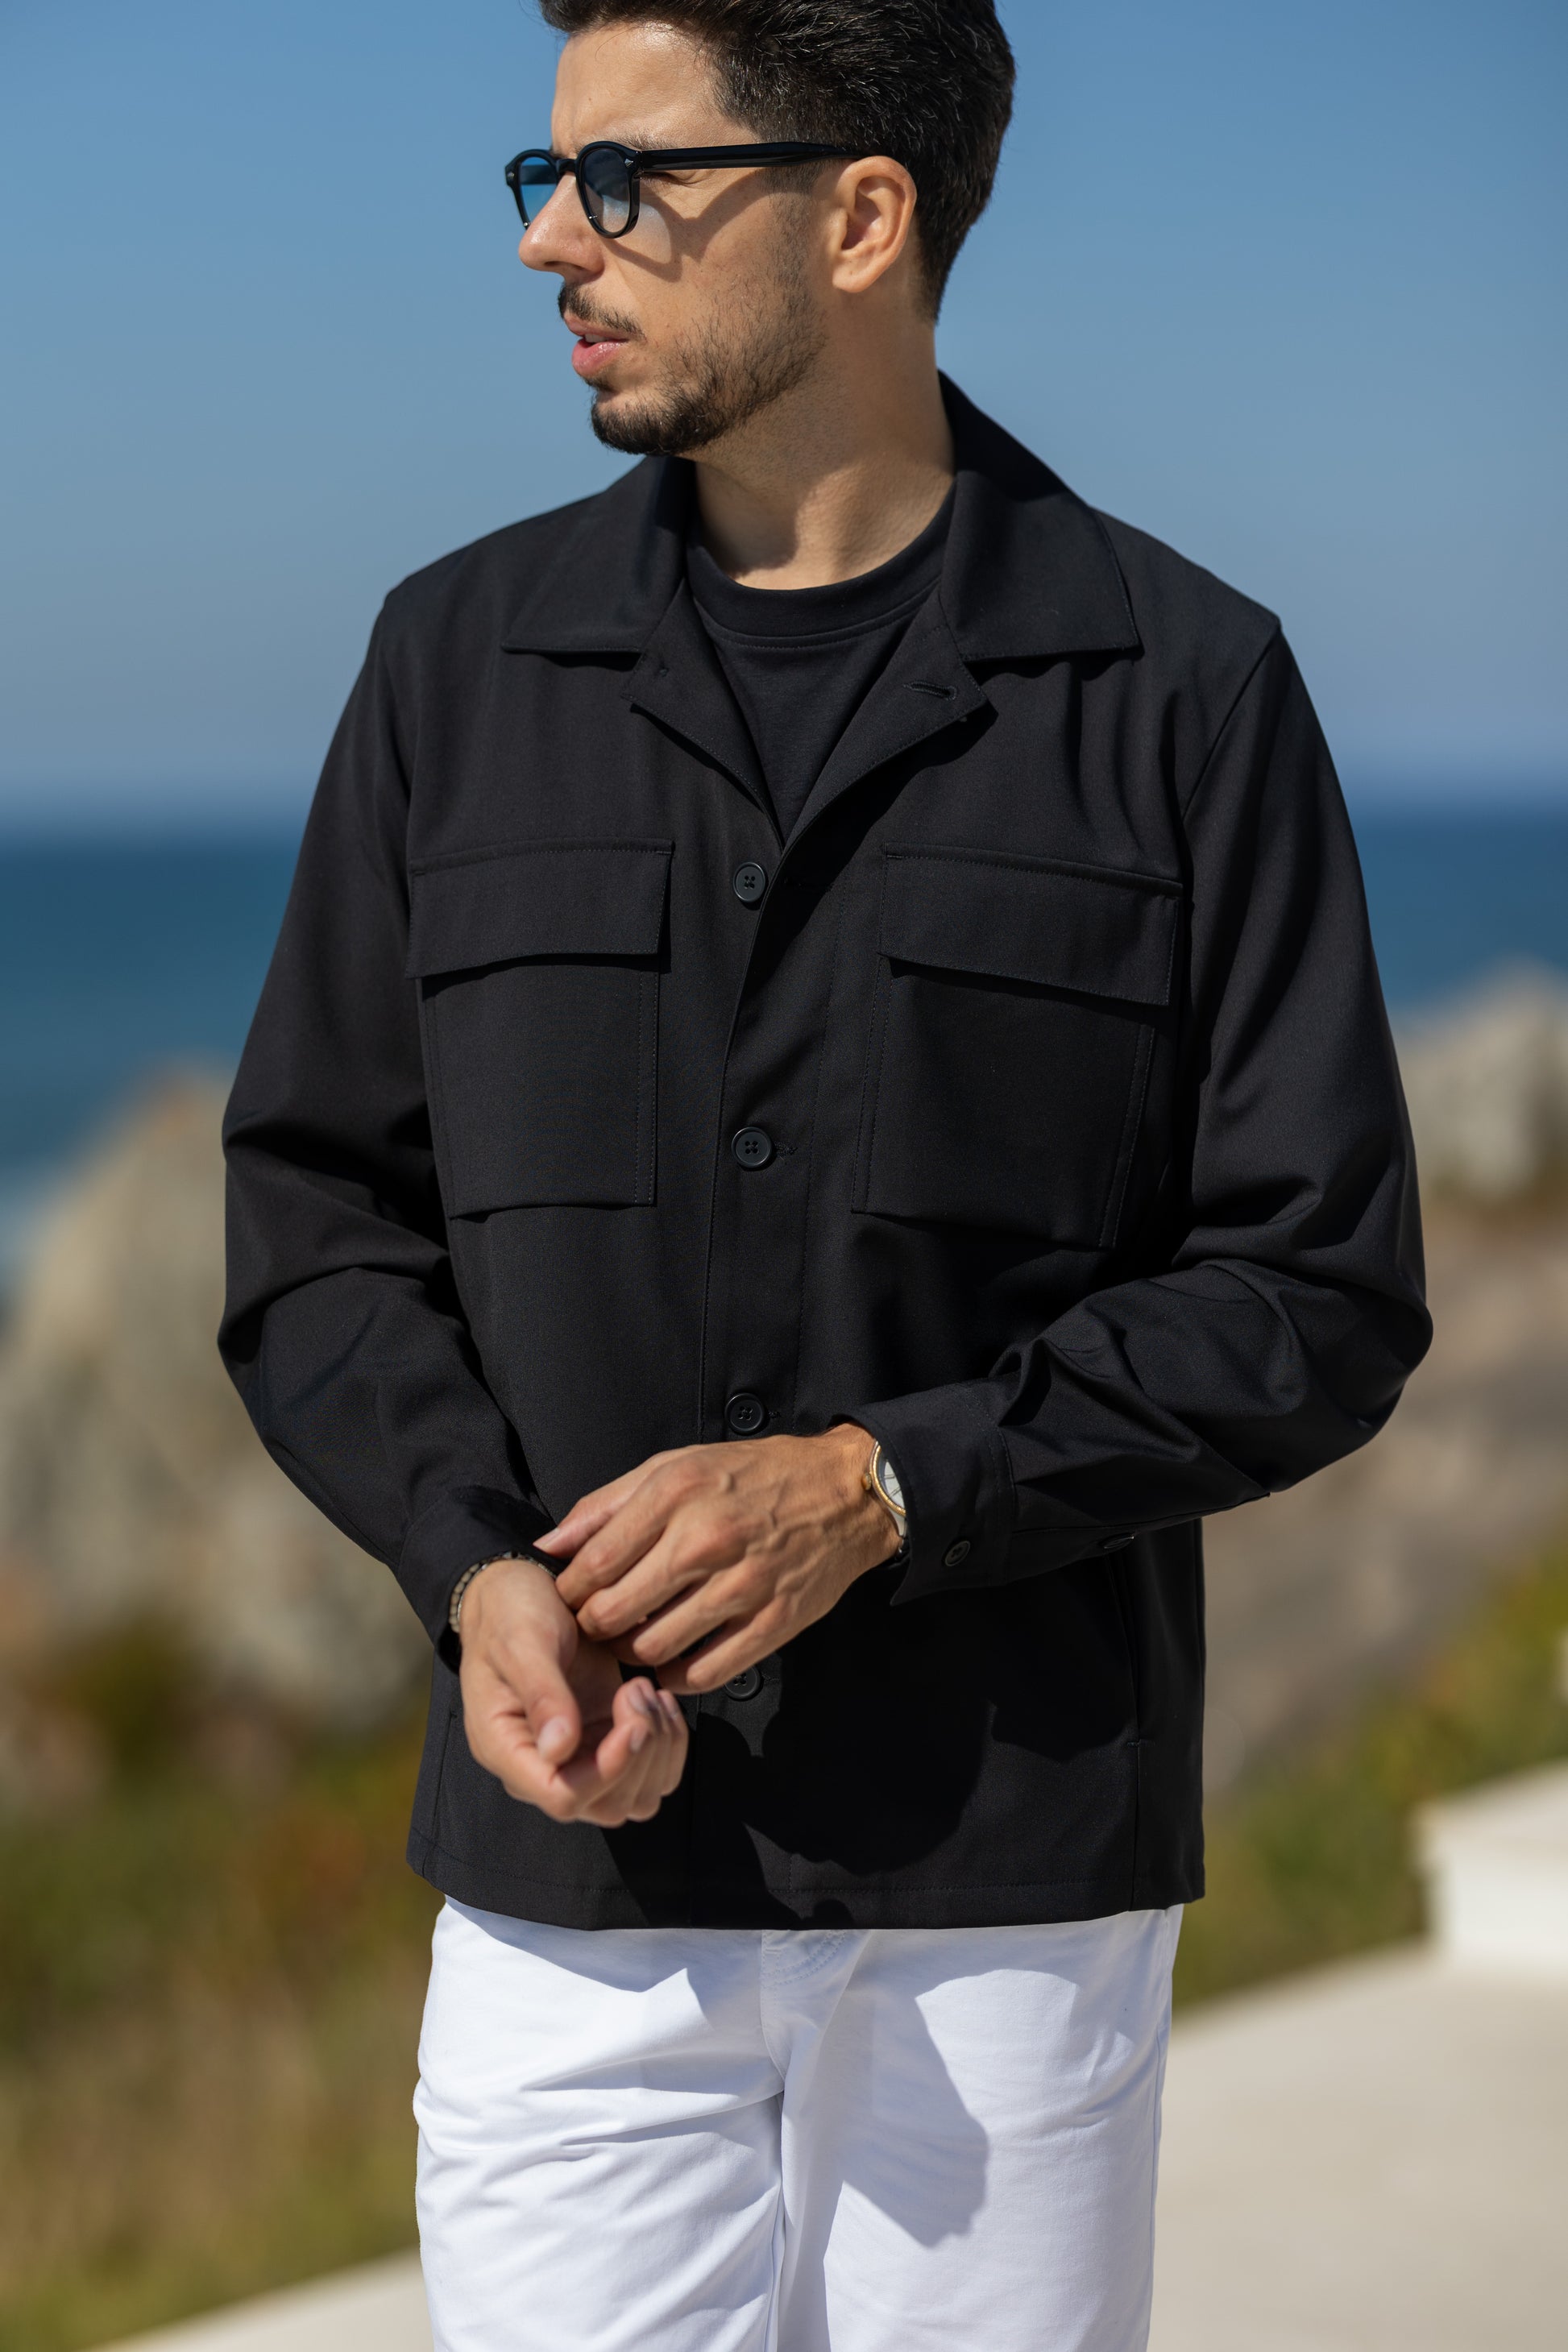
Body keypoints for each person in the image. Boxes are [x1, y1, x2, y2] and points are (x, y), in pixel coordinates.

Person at [218, 2, 1431, 2345]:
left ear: (861, 214)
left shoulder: (1184, 692)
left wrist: (883, 1489)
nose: (553, 244)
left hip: (1011, 1908)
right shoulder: (452, 667)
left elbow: (1318, 1287)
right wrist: (469, 1568)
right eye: (547, 177)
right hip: (569, 1902)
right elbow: (316, 1226)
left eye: (626, 181)